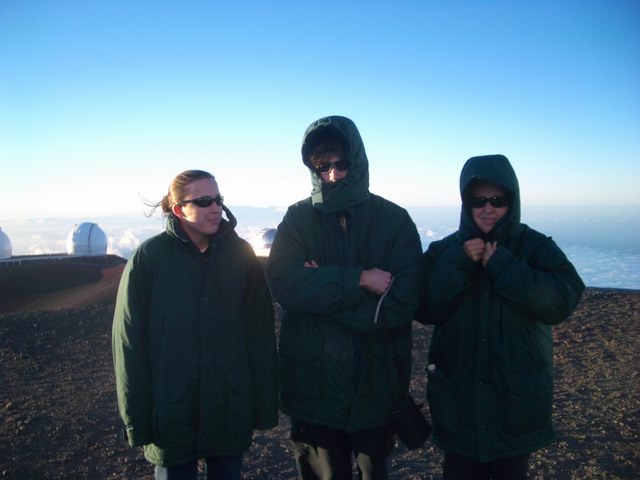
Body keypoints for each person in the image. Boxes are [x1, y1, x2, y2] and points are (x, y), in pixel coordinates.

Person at [267, 115, 423, 479]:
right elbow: (286, 286)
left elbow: (401, 302)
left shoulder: (394, 221)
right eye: (322, 166)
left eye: (341, 163)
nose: (333, 174)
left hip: (377, 386)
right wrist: (358, 280)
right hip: (313, 390)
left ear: (357, 161)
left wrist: (322, 289)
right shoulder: (297, 219)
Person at [416, 154, 585, 479]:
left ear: (513, 200)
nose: (488, 207)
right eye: (478, 199)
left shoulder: (534, 247)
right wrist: (458, 262)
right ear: (466, 202)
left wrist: (505, 267)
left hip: (515, 407)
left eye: (498, 199)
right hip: (458, 404)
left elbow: (561, 300)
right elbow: (424, 307)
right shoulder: (444, 251)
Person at [112, 170, 278, 480]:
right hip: (171, 413)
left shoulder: (240, 256)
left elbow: (260, 335)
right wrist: (135, 419)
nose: (215, 208)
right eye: (203, 202)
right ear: (178, 209)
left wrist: (264, 406)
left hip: (229, 406)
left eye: (218, 199)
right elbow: (129, 344)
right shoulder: (149, 259)